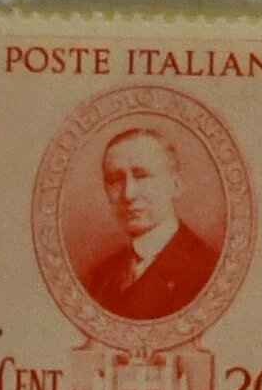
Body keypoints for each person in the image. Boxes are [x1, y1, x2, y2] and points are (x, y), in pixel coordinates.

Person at [79, 124, 219, 322]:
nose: (128, 194)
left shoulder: (210, 272)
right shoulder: (96, 279)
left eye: (142, 176)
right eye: (116, 179)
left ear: (176, 185)